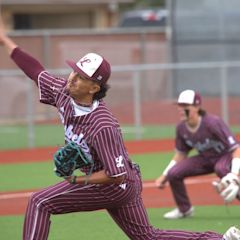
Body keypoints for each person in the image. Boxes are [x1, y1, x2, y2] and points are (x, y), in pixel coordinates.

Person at [0, 18, 239, 240]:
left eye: (81, 76)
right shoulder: (63, 91)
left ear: (94, 87)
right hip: (124, 181)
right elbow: (34, 70)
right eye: (74, 70)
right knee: (148, 236)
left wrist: (76, 179)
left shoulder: (102, 125)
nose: (72, 77)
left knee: (40, 202)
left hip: (114, 184)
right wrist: (4, 39)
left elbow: (116, 175)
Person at [155, 89, 240, 220]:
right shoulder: (181, 128)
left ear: (197, 106)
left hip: (225, 156)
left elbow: (235, 148)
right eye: (179, 105)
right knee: (174, 173)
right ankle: (185, 209)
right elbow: (181, 154)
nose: (180, 109)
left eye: (185, 106)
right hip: (206, 159)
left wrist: (234, 174)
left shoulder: (213, 123)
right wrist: (164, 175)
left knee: (221, 169)